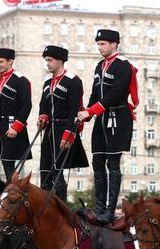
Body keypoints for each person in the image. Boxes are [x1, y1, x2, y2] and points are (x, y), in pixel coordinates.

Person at [77, 29, 139, 224]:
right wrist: (86, 113)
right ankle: (99, 208)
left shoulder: (123, 66)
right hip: (101, 119)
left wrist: (92, 111)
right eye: (98, 44)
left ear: (114, 44)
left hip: (117, 118)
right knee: (97, 162)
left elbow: (117, 93)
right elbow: (96, 92)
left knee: (112, 163)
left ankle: (110, 211)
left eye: (103, 44)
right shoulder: (99, 66)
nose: (100, 47)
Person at [36, 45, 88, 201]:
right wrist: (42, 117)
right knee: (45, 170)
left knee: (57, 171)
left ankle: (61, 206)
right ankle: (44, 204)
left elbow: (75, 109)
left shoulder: (73, 81)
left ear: (60, 60)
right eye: (46, 60)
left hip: (64, 129)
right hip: (49, 131)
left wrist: (68, 135)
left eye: (50, 60)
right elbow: (43, 106)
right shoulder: (47, 83)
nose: (48, 63)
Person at [0, 48, 32, 182]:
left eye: (1, 61)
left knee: (8, 165)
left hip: (11, 126)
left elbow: (26, 106)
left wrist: (16, 127)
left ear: (10, 61)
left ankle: (13, 196)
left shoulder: (20, 81)